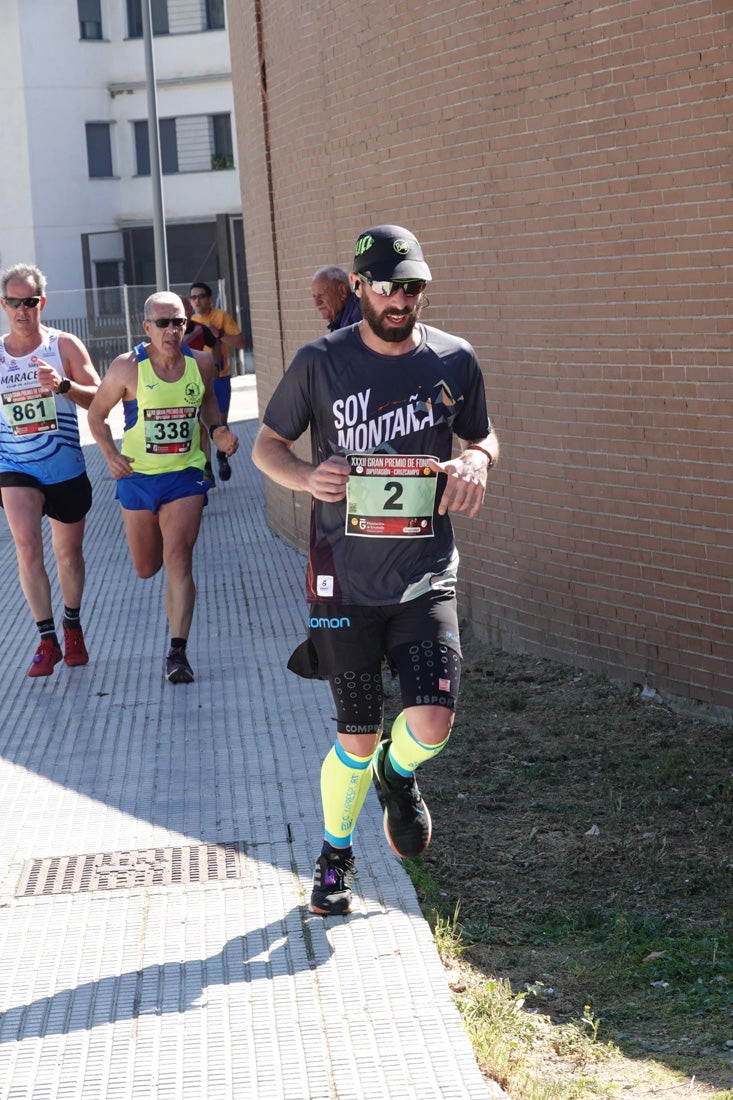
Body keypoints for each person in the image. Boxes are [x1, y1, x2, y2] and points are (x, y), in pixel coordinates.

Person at [252, 225, 498, 916]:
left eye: (412, 286)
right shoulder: (318, 362)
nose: (399, 299)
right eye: (386, 286)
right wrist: (305, 476)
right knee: (353, 735)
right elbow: (267, 446)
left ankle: (400, 774)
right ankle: (334, 856)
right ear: (358, 287)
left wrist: (476, 461)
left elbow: (481, 435)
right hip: (343, 582)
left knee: (431, 722)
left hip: (423, 572)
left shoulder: (454, 359)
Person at [87, 291, 238, 685]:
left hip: (184, 474)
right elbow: (97, 415)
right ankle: (174, 634)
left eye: (179, 323)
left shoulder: (201, 363)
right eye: (164, 323)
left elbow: (206, 405)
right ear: (147, 327)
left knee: (179, 557)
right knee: (146, 567)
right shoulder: (127, 368)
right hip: (137, 478)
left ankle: (177, 652)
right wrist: (109, 454)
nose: (172, 330)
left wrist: (217, 430)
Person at [0, 263, 101, 678]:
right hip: (14, 466)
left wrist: (61, 385)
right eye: (13, 302)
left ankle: (72, 626)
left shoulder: (64, 346)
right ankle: (46, 639)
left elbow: (100, 399)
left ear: (41, 302)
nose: (21, 310)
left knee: (68, 555)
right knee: (26, 549)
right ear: (3, 305)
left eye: (29, 301)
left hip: (63, 466)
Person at [188, 282, 244, 482]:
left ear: (209, 298)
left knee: (220, 422)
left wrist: (217, 333)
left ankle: (222, 455)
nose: (197, 300)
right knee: (202, 426)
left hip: (219, 378)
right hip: (197, 380)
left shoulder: (220, 317)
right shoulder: (188, 323)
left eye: (201, 296)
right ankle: (208, 468)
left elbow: (240, 342)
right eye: (193, 297)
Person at [181, 295, 217, 485]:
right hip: (177, 384)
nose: (185, 313)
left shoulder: (200, 329)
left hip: (198, 383)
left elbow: (214, 345)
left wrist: (217, 365)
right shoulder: (168, 332)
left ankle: (207, 467)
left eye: (187, 310)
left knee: (203, 426)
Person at [311, 266, 362, 331]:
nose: (317, 303)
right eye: (314, 296)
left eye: (321, 294)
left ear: (342, 292)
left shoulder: (359, 318)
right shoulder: (340, 322)